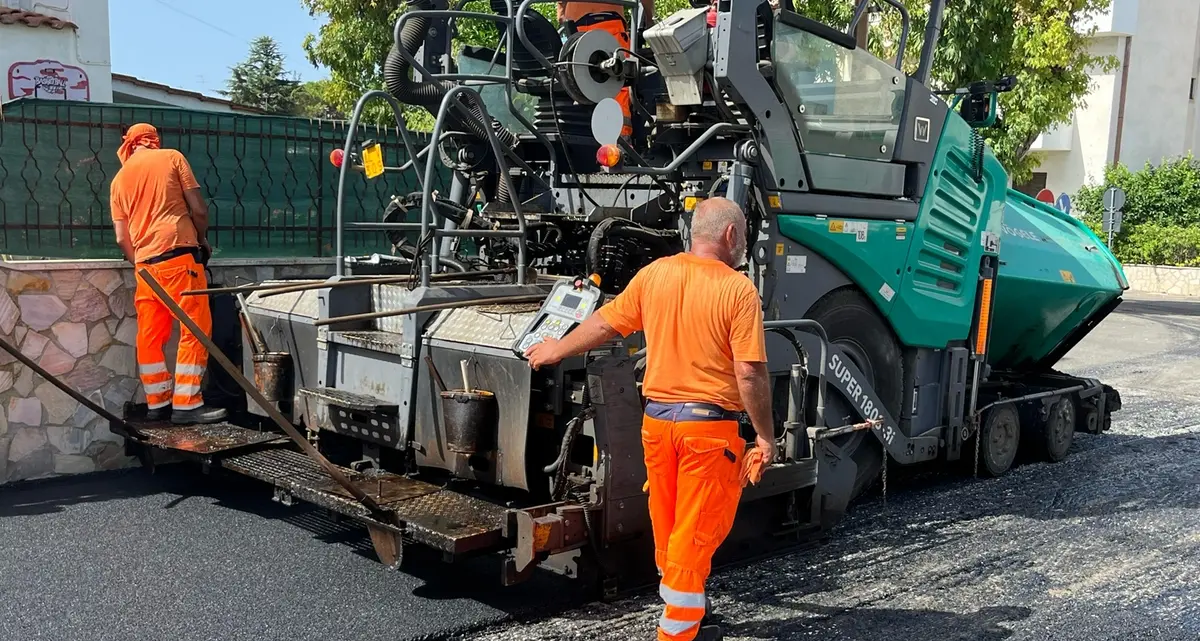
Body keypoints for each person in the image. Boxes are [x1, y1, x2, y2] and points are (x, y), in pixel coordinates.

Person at [525, 197, 775, 641]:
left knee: (670, 528)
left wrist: (555, 349)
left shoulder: (656, 274)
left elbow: (605, 323)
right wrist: (764, 435)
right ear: (731, 236)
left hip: (657, 427)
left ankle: (688, 607)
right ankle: (677, 633)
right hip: (707, 431)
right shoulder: (737, 290)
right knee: (693, 538)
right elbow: (749, 371)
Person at [108, 123, 226, 425]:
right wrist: (202, 240)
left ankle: (157, 403)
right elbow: (198, 209)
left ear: (130, 145)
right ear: (153, 140)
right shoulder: (172, 158)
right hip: (178, 256)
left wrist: (140, 264)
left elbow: (123, 238)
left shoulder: (119, 180)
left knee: (150, 335)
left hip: (145, 267)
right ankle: (186, 405)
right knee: (195, 328)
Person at [557, 0, 655, 138]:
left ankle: (586, 136)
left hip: (574, 26)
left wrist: (562, 14)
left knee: (580, 81)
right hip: (607, 21)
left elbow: (561, 10)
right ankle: (619, 142)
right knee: (618, 79)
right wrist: (650, 20)